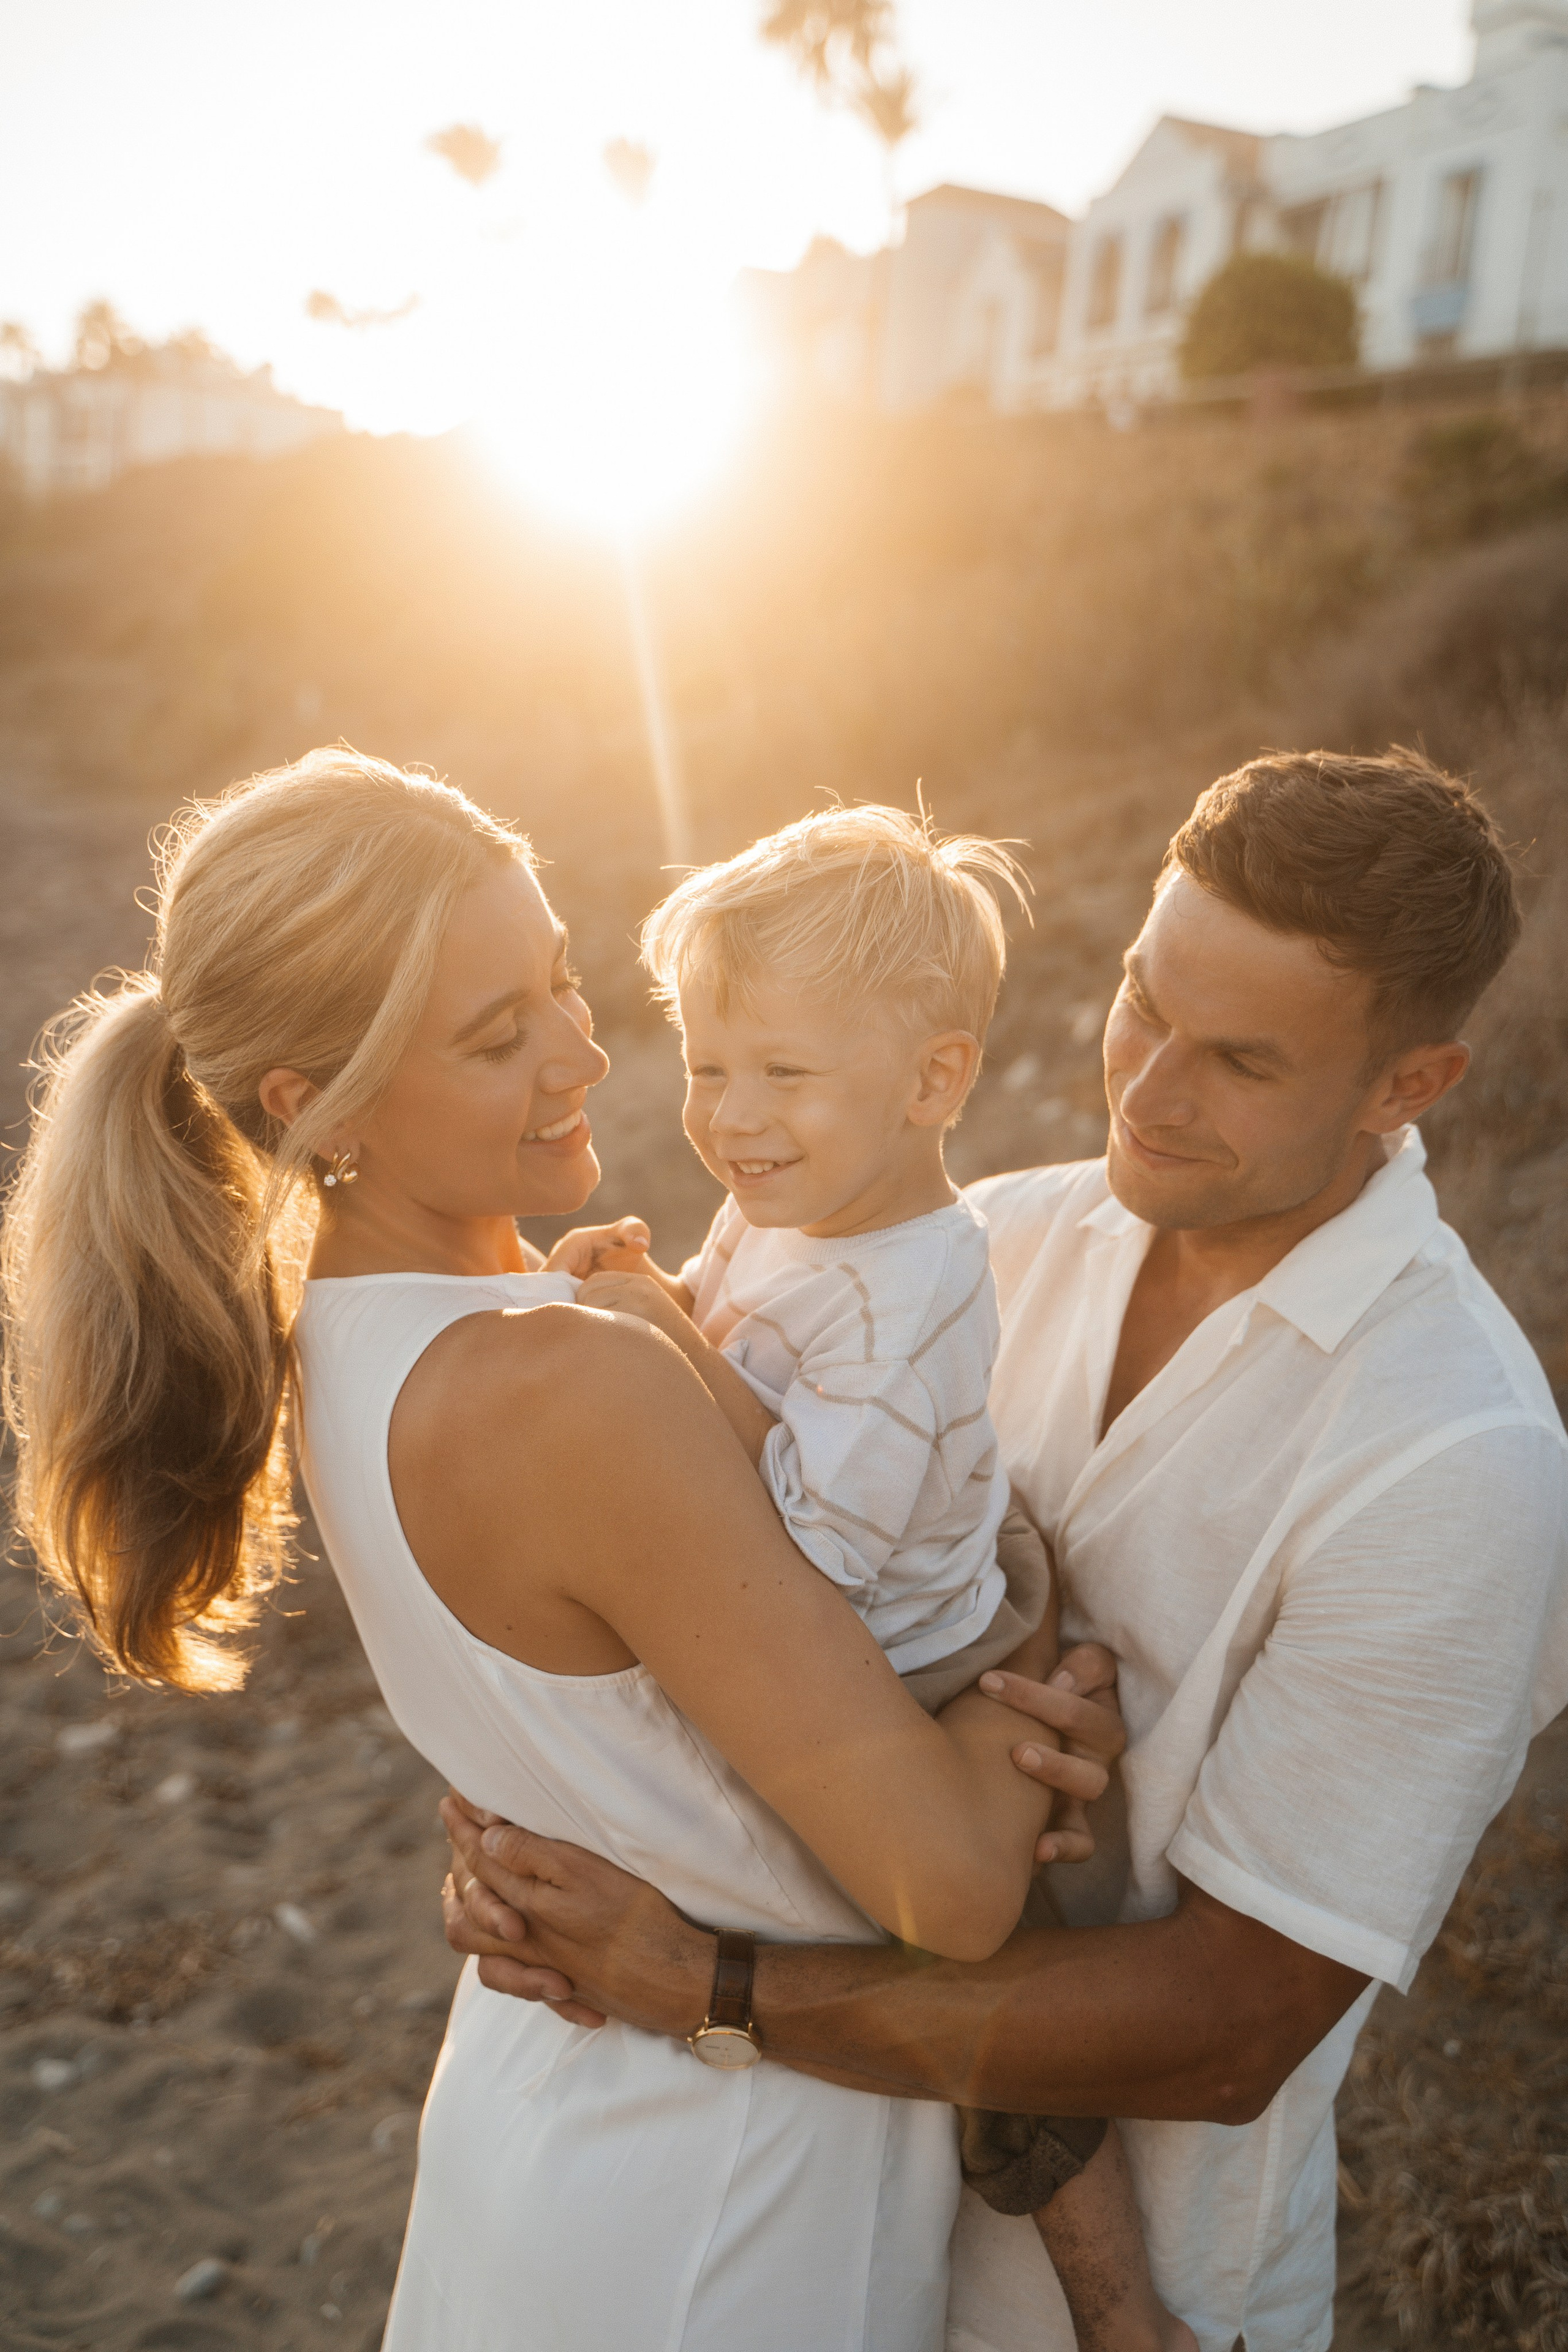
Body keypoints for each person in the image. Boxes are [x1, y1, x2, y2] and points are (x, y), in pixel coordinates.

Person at [442, 748, 1568, 2352]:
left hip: (1124, 2311)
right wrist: (531, 1837)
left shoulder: (1457, 1462)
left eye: (1239, 1061)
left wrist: (705, 1981)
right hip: (828, 2233)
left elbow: (1234, 2029)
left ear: (1412, 1084)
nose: (1149, 1090)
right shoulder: (1004, 1233)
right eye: (1141, 1002)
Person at [1, 748, 1120, 2352]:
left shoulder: (345, 1343)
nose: (583, 1052)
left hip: (563, 2128)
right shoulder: (561, 1384)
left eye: (563, 983)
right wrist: (1041, 1693)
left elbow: (607, 1734)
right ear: (313, 1110)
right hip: (716, 2212)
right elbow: (945, 1880)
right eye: (493, 1034)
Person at [547, 804, 1181, 2348]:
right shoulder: (794, 1200)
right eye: (705, 1066)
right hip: (922, 1578)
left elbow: (808, 1548)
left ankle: (1122, 2315)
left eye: (780, 1074)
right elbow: (731, 1320)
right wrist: (661, 1291)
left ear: (932, 1082)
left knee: (1000, 2018)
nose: (727, 1116)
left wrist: (665, 1347)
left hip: (924, 1658)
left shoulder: (912, 1294)